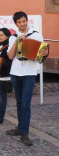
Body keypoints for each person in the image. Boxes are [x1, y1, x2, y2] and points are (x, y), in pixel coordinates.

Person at [5, 11, 48, 146]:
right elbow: (11, 56)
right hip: (16, 73)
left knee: (26, 104)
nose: (22, 24)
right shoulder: (12, 37)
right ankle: (19, 127)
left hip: (29, 72)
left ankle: (25, 133)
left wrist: (45, 52)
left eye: (24, 21)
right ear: (16, 23)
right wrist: (18, 41)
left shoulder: (37, 35)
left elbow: (42, 55)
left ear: (27, 20)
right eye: (19, 22)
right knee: (19, 102)